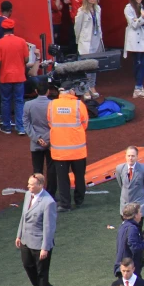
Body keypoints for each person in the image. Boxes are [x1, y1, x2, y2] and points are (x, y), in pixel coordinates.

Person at [16, 173, 57, 286]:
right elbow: (23, 216)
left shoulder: (48, 202)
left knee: (42, 272)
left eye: (31, 184)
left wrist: (45, 247)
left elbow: (49, 227)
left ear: (40, 185)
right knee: (28, 266)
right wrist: (19, 235)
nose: (28, 186)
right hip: (26, 240)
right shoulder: (28, 195)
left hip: (40, 243)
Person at [48, 83, 88, 213]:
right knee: (79, 176)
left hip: (59, 151)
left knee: (62, 178)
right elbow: (84, 123)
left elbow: (50, 122)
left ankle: (65, 204)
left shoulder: (52, 105)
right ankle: (79, 200)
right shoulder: (78, 105)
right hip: (78, 150)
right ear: (71, 91)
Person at [0, 18, 27, 135]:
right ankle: (20, 127)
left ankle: (6, 126)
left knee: (5, 101)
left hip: (5, 77)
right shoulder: (21, 41)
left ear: (3, 29)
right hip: (19, 76)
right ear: (13, 29)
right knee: (19, 101)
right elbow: (26, 59)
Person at [23, 79, 57, 198]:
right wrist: (48, 140)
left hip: (36, 143)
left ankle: (37, 194)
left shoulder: (28, 105)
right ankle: (51, 193)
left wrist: (37, 138)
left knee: (37, 169)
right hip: (51, 142)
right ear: (48, 91)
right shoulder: (54, 104)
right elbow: (56, 124)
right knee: (52, 169)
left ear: (36, 91)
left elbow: (26, 125)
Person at [74, 0, 103, 97]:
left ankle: (92, 86)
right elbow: (77, 27)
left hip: (96, 40)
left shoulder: (98, 9)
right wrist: (78, 41)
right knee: (85, 67)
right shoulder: (81, 11)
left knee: (94, 65)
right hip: (85, 42)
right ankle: (85, 89)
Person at [124, 0, 144, 98]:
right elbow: (133, 25)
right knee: (138, 64)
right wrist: (142, 18)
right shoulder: (128, 8)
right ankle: (138, 87)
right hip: (135, 40)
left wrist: (142, 20)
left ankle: (139, 86)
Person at [116, 146, 144, 222]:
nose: (130, 158)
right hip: (125, 205)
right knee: (126, 229)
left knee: (137, 230)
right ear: (125, 156)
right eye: (129, 156)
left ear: (137, 157)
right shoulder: (119, 168)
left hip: (139, 206)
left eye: (133, 156)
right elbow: (121, 184)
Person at [115, 203, 144, 277]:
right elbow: (134, 247)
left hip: (123, 266)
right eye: (140, 212)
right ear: (135, 215)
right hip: (129, 269)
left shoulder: (123, 225)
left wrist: (141, 238)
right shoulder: (132, 228)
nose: (141, 215)